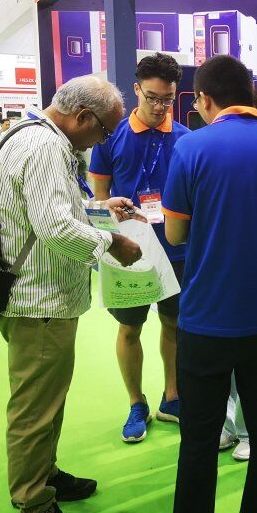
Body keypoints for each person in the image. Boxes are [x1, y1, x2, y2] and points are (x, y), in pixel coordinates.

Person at [0, 75, 143, 513]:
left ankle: (44, 474)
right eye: (104, 131)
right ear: (83, 117)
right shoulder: (44, 147)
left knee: (47, 399)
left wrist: (97, 209)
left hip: (39, 296)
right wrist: (112, 242)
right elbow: (55, 228)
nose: (102, 141)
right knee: (35, 408)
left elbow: (50, 211)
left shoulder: (32, 135)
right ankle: (34, 505)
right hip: (39, 300)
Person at [163, 55, 257, 513]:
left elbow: (176, 235)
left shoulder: (191, 148)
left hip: (206, 321)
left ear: (205, 99)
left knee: (198, 439)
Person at [89, 54, 191, 442]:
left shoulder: (185, 139)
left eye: (167, 99)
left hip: (175, 250)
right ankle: (136, 403)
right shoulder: (111, 136)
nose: (160, 106)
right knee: (130, 328)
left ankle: (172, 397)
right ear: (136, 90)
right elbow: (99, 197)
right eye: (152, 97)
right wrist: (109, 243)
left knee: (174, 325)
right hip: (127, 249)